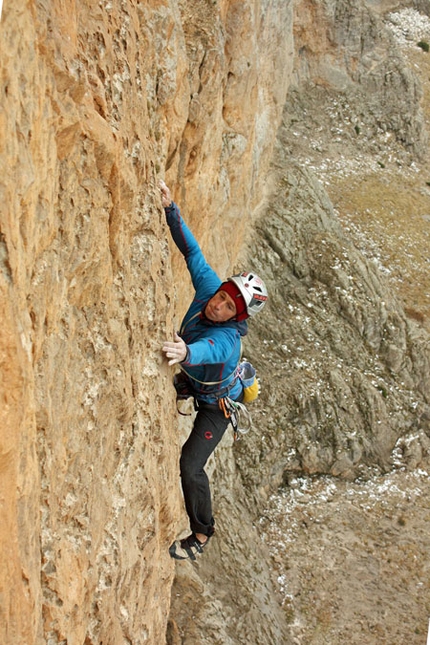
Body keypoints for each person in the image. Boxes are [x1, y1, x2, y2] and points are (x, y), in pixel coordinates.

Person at [160, 181, 268, 560]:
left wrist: (185, 350)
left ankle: (202, 533)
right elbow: (192, 251)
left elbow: (207, 350)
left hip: (215, 407)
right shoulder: (209, 289)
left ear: (236, 318)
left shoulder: (228, 341)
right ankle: (185, 385)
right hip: (195, 379)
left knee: (190, 466)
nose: (218, 306)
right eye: (222, 296)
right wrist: (171, 209)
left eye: (227, 307)